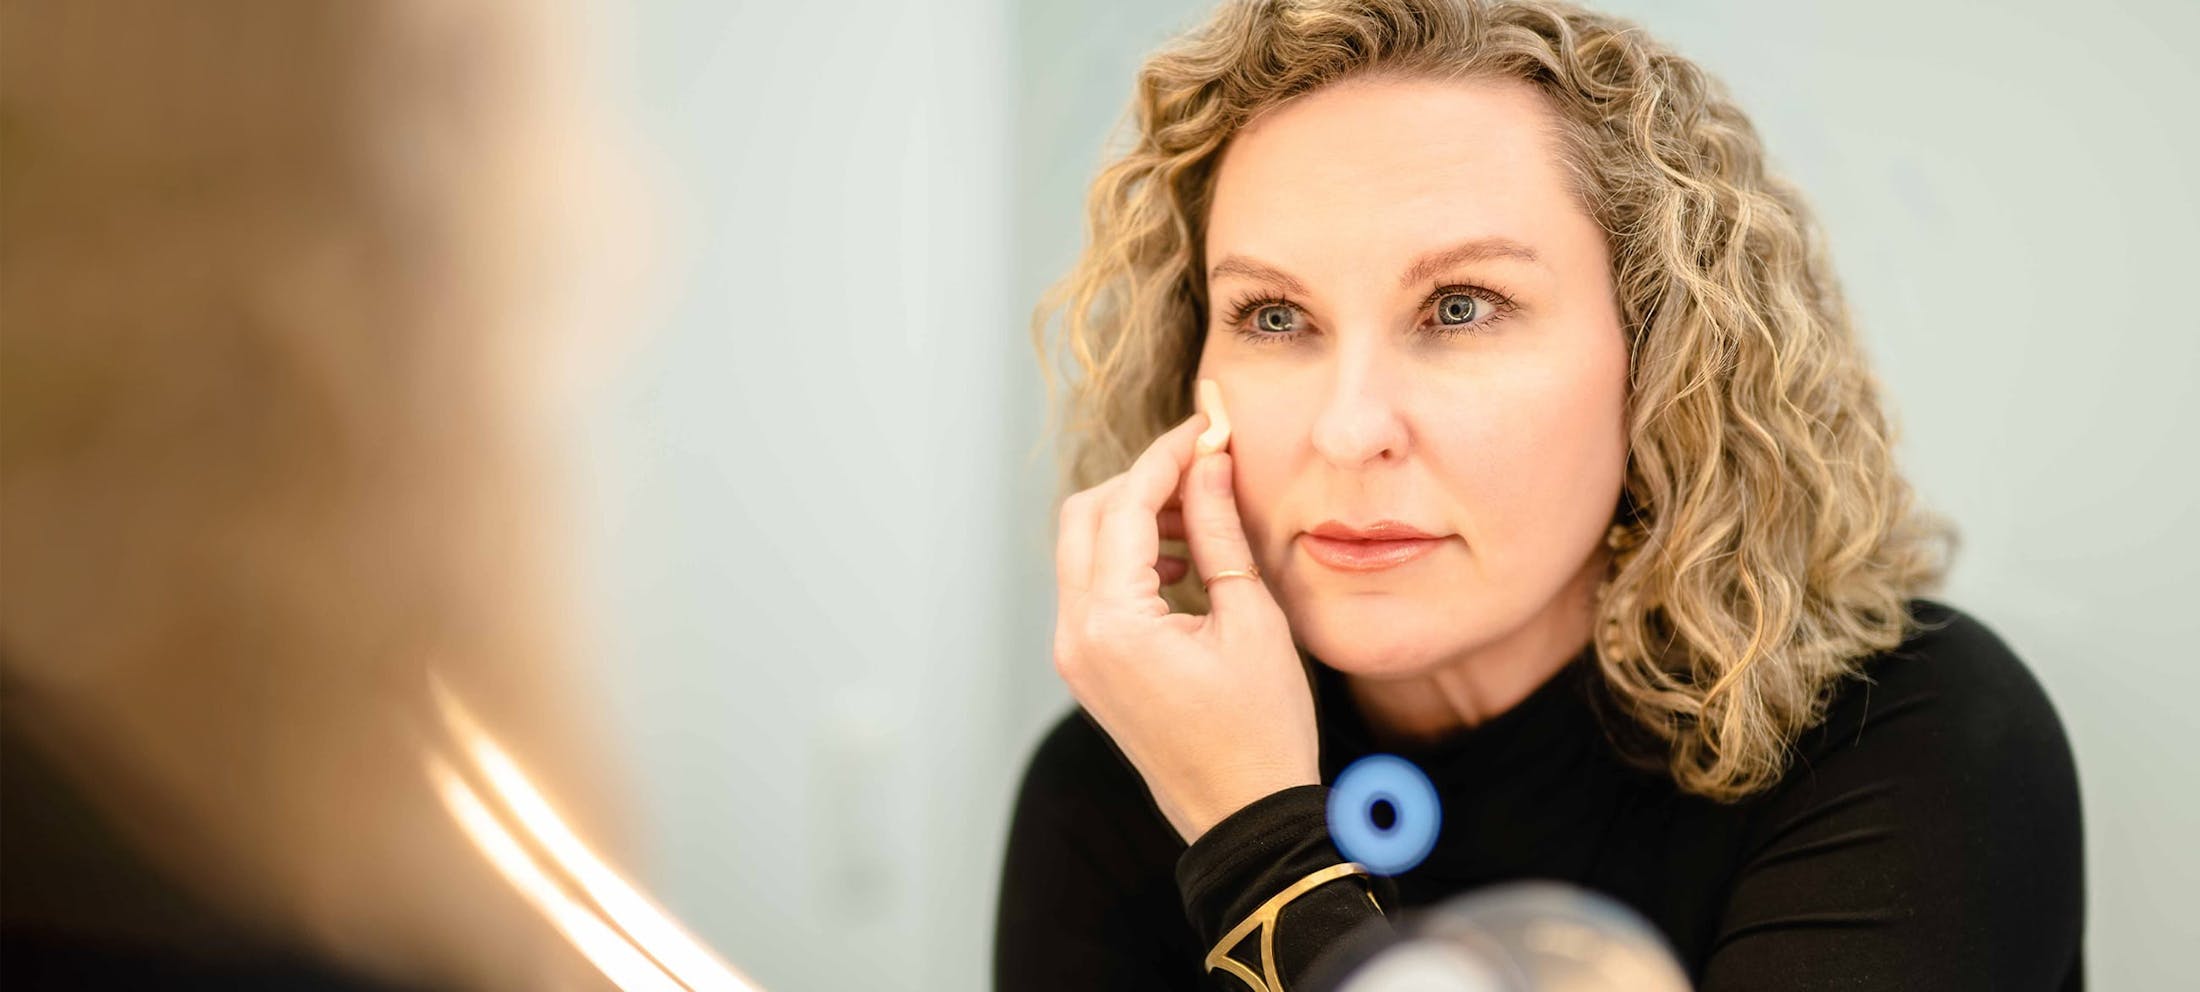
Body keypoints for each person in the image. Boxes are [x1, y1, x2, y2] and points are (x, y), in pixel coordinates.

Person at [995, 1, 2084, 989]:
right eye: (1274, 316)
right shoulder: (1119, 786)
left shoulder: (1906, 738)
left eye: (1460, 306)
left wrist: (1255, 842)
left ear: (1661, 362)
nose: (1348, 427)